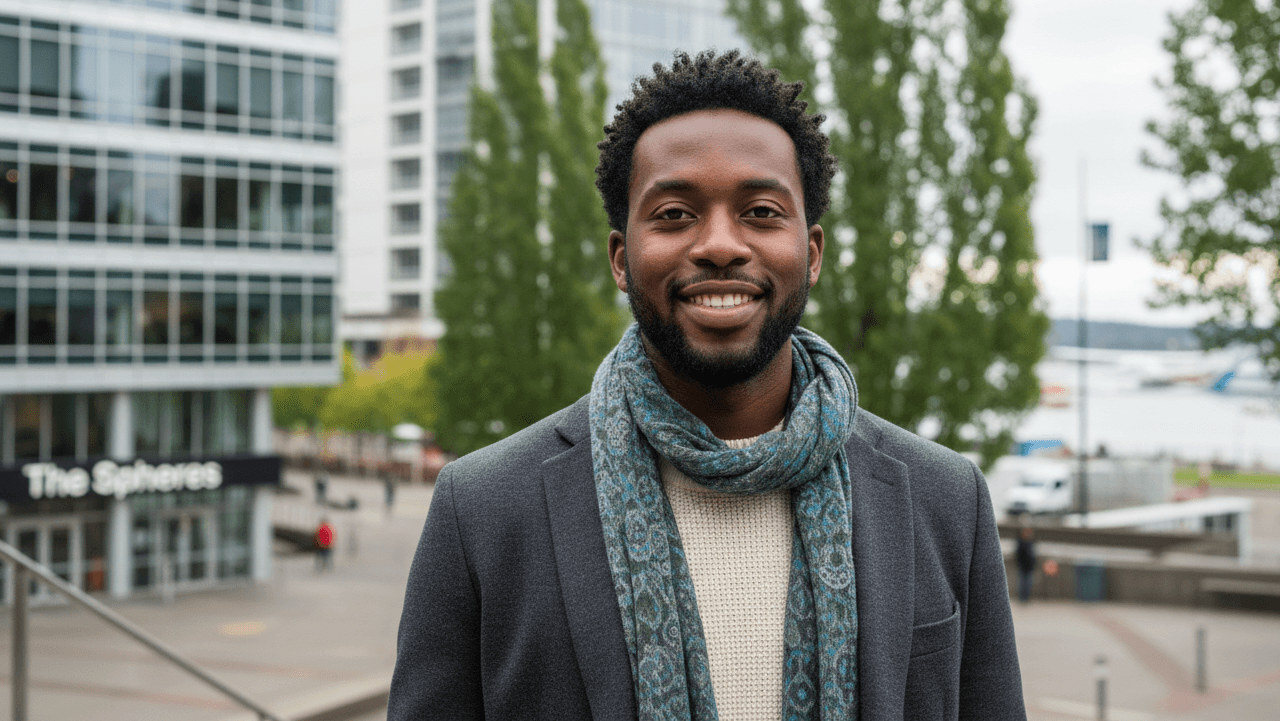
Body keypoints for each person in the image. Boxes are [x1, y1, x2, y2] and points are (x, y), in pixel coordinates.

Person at [388, 50, 1025, 720]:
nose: (720, 244)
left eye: (759, 212)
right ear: (620, 259)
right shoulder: (483, 510)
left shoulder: (944, 499)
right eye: (673, 214)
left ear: (811, 255)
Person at [1015, 526, 1037, 603]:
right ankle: (1022, 598)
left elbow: (1033, 556)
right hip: (1023, 566)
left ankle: (1026, 597)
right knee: (1022, 583)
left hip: (1030, 566)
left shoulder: (1031, 543)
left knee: (1028, 583)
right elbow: (1018, 555)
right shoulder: (1021, 543)